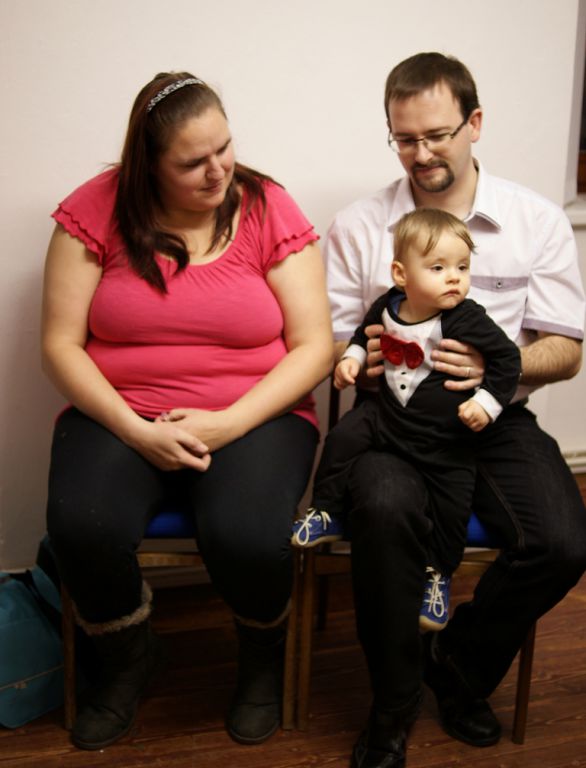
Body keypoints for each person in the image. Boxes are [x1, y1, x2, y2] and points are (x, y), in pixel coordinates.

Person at [42, 71, 333, 751]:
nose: (218, 171)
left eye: (224, 148)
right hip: (122, 412)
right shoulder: (94, 209)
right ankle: (129, 656)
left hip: (256, 413)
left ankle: (261, 662)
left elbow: (316, 345)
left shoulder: (268, 206)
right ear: (148, 164)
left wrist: (228, 423)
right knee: (81, 526)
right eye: (193, 161)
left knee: (247, 534)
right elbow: (59, 345)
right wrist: (135, 430)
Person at [324, 52, 586, 768]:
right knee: (384, 512)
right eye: (405, 139)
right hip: (393, 420)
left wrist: (500, 366)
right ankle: (391, 706)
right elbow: (332, 342)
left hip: (494, 415)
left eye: (437, 135)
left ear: (474, 123)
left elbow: (566, 350)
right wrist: (363, 355)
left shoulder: (534, 219)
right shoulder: (360, 226)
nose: (422, 154)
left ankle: (457, 668)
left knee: (563, 543)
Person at [293, 208, 521, 632]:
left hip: (444, 437)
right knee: (343, 437)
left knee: (452, 506)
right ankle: (326, 510)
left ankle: (438, 573)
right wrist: (352, 360)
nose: (454, 278)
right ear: (401, 274)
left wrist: (487, 403)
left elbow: (509, 360)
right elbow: (362, 335)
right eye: (438, 268)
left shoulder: (467, 318)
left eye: (462, 267)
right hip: (387, 418)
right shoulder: (387, 305)